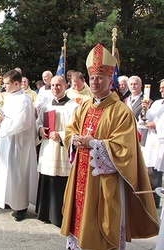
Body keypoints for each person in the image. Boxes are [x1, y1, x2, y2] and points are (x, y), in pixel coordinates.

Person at [61, 43, 159, 249]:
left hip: (104, 181)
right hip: (81, 174)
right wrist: (74, 139)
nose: (95, 82)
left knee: (102, 226)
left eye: (100, 78)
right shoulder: (85, 106)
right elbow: (71, 129)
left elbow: (125, 150)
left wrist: (94, 144)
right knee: (78, 221)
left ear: (109, 80)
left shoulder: (120, 112)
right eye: (92, 78)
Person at [0, 70, 38, 222]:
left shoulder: (24, 100)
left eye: (6, 84)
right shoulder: (10, 97)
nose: (3, 86)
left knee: (18, 174)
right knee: (7, 171)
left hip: (19, 143)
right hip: (8, 141)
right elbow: (5, 115)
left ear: (16, 83)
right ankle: (8, 199)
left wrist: (3, 121)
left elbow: (22, 123)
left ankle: (21, 207)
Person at [35, 75, 79, 227]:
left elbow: (76, 130)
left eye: (58, 85)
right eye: (53, 85)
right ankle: (44, 213)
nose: (55, 88)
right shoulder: (46, 105)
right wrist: (40, 129)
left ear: (66, 86)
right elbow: (38, 122)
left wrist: (60, 135)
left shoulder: (73, 107)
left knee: (59, 181)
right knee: (46, 179)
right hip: (47, 148)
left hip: (61, 151)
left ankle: (59, 216)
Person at [142, 78, 164, 208]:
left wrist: (156, 125)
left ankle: (156, 204)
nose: (161, 90)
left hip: (161, 140)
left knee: (157, 173)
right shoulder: (156, 103)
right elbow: (146, 119)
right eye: (161, 87)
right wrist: (145, 110)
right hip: (153, 142)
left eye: (163, 88)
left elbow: (157, 122)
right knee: (151, 171)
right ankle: (150, 202)